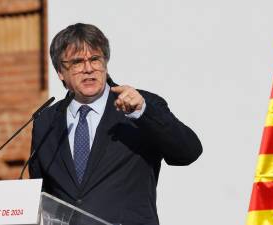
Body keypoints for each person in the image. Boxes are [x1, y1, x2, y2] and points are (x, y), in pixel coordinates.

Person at [29, 23, 202, 225]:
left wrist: (143, 112)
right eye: (77, 62)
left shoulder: (141, 106)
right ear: (60, 72)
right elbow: (40, 195)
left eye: (95, 59)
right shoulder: (45, 122)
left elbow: (188, 152)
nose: (88, 69)